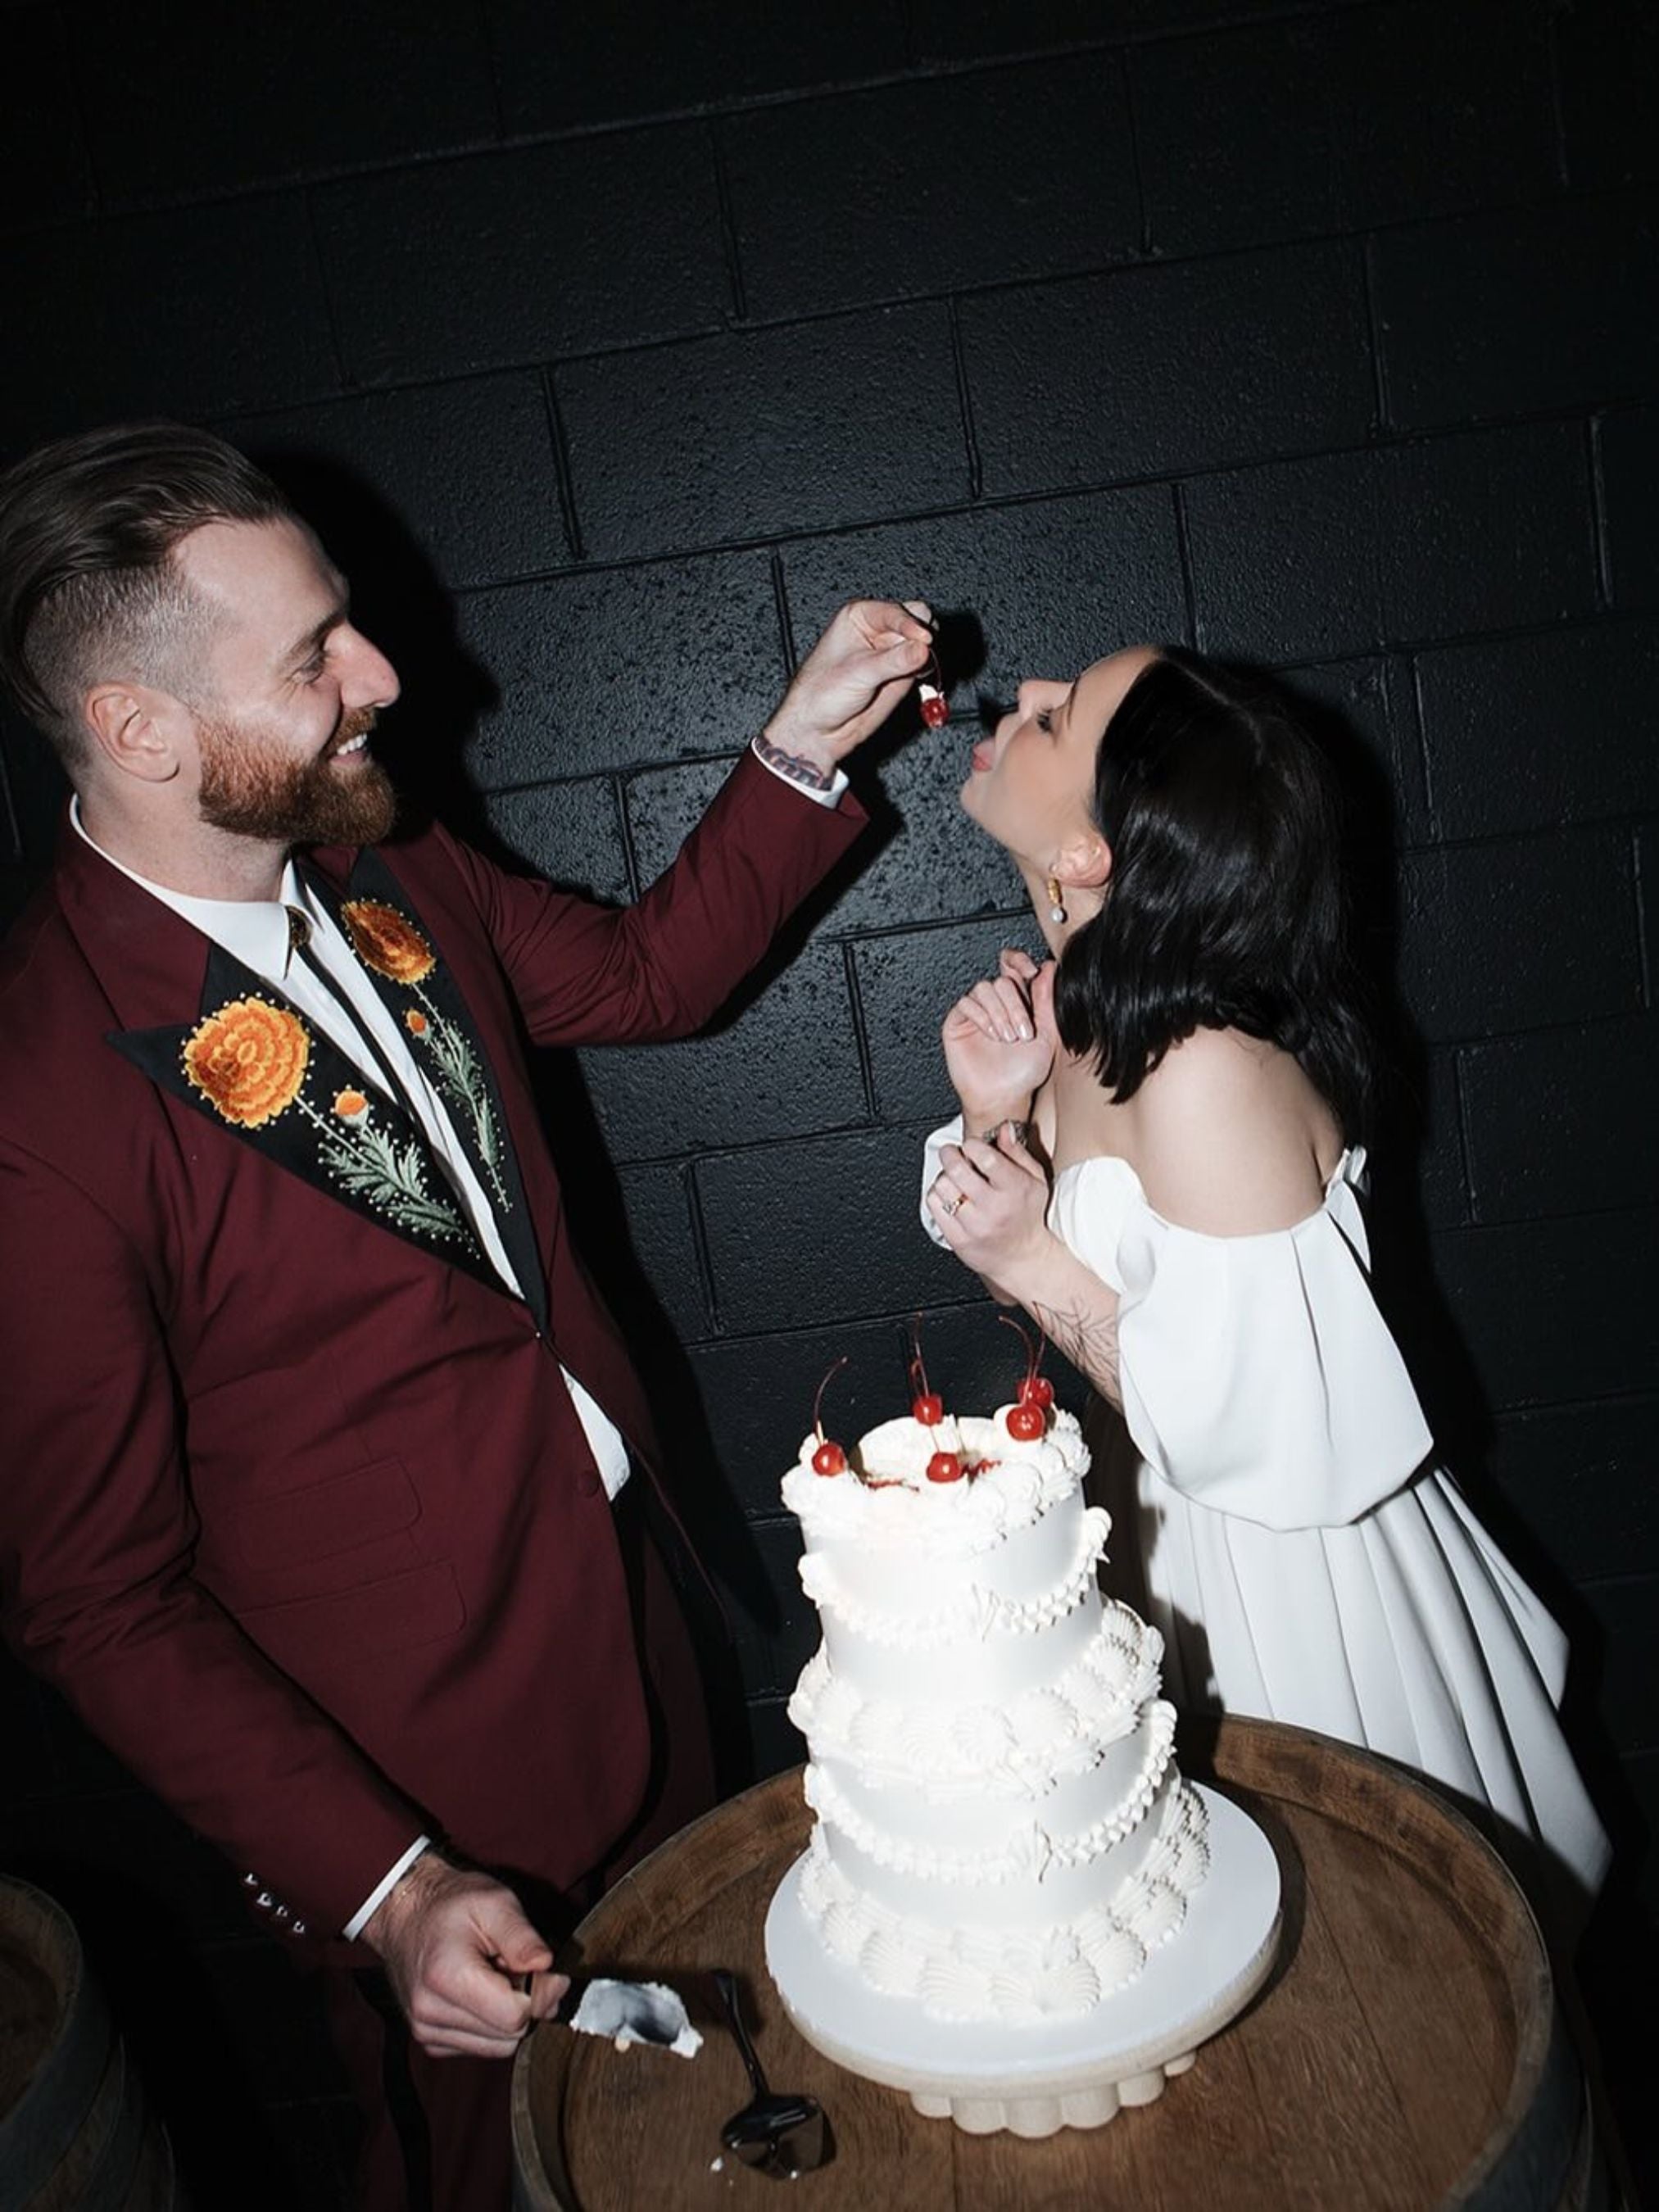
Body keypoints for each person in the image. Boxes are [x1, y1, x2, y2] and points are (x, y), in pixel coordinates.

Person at [0, 421, 936, 2211]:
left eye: (344, 623)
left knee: (678, 2106)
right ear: (139, 732)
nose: (386, 677)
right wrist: (389, 1886)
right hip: (411, 1773)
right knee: (481, 2169)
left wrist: (802, 743)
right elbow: (94, 1598)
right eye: (312, 660)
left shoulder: (385, 857)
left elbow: (652, 977)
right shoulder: (38, 1101)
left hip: (626, 1611)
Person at [920, 645, 1610, 1921]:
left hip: (1288, 1592)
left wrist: (1023, 1249)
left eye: (1054, 717)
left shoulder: (1204, 1073)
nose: (1013, 703)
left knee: (1348, 1948)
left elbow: (1254, 1440)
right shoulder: (1081, 1003)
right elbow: (1080, 1319)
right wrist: (992, 1122)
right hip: (1162, 1536)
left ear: (1086, 855)